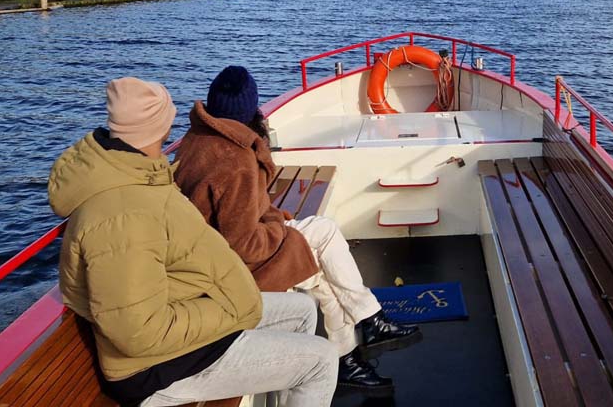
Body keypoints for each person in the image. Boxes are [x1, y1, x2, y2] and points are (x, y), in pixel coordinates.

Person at [48, 77, 337, 407]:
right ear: (161, 127)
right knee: (321, 361)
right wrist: (232, 309)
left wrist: (230, 301)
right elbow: (137, 333)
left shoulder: (137, 173)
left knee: (303, 310)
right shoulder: (122, 214)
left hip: (186, 331)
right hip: (161, 367)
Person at [174, 66, 421, 397]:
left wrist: (275, 219)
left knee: (323, 265)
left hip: (217, 253)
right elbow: (244, 244)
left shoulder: (199, 140)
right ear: (250, 110)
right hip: (233, 266)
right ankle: (368, 323)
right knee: (323, 240)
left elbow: (244, 215)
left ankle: (352, 348)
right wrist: (281, 229)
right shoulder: (234, 161)